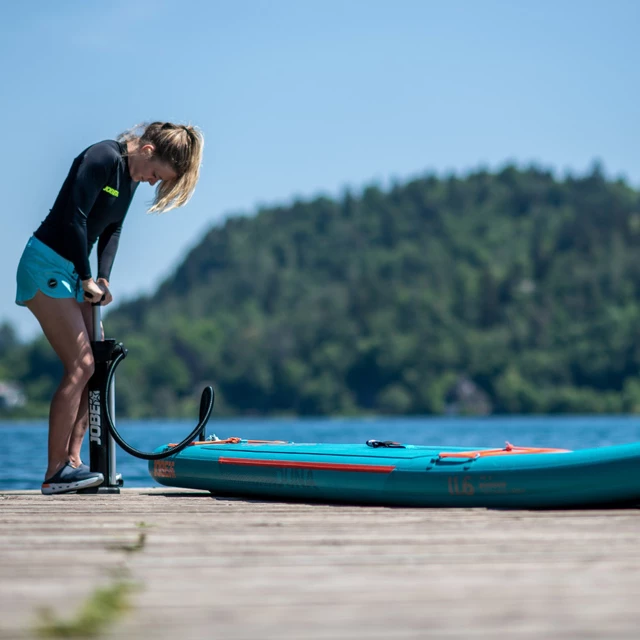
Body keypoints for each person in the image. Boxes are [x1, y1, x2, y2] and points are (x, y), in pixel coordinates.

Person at [15, 122, 204, 494]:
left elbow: (112, 229)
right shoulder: (103, 157)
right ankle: (54, 472)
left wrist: (103, 278)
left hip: (74, 271)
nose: (151, 182)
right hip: (46, 264)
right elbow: (76, 217)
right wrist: (86, 275)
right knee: (80, 364)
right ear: (147, 150)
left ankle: (74, 463)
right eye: (155, 174)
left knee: (97, 364)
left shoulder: (131, 178)